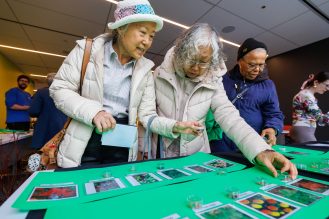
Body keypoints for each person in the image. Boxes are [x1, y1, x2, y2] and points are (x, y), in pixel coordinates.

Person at [50, 0, 197, 168]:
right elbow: (60, 89)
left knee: (116, 186)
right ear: (121, 28)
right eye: (142, 32)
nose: (147, 41)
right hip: (84, 137)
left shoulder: (146, 70)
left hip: (122, 140)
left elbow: (147, 116)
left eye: (151, 36)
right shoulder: (86, 51)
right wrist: (95, 113)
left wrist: (175, 126)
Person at [150, 23, 296, 178]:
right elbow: (148, 115)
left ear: (212, 60)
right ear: (181, 52)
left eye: (203, 62)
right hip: (161, 153)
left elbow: (229, 116)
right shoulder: (159, 73)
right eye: (190, 59)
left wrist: (261, 150)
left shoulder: (213, 78)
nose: (195, 68)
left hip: (196, 156)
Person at [208, 38, 284, 152]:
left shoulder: (268, 85)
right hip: (221, 144)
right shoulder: (222, 80)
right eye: (252, 65)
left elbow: (274, 113)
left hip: (252, 145)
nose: (257, 70)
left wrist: (272, 128)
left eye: (261, 65)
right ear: (239, 61)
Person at [29, 73, 67, 149]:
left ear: (47, 82)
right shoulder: (66, 94)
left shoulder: (41, 92)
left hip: (45, 130)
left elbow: (33, 111)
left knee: (44, 155)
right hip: (63, 128)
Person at [290, 72, 329, 143]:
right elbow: (321, 119)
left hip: (303, 130)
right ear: (316, 82)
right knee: (313, 152)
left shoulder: (306, 94)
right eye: (326, 85)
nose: (328, 89)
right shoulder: (306, 96)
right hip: (303, 130)